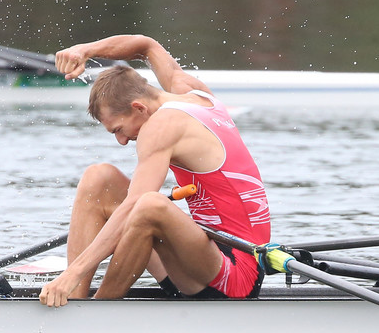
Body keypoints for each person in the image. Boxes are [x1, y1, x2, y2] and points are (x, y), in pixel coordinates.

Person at [38, 35, 271, 308]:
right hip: (199, 255)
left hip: (237, 271)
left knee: (149, 205)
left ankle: (97, 311)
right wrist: (86, 49)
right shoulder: (192, 92)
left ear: (138, 107)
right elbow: (145, 46)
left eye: (119, 130)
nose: (122, 141)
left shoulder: (161, 126)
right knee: (99, 178)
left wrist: (72, 270)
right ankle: (73, 297)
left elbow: (136, 204)